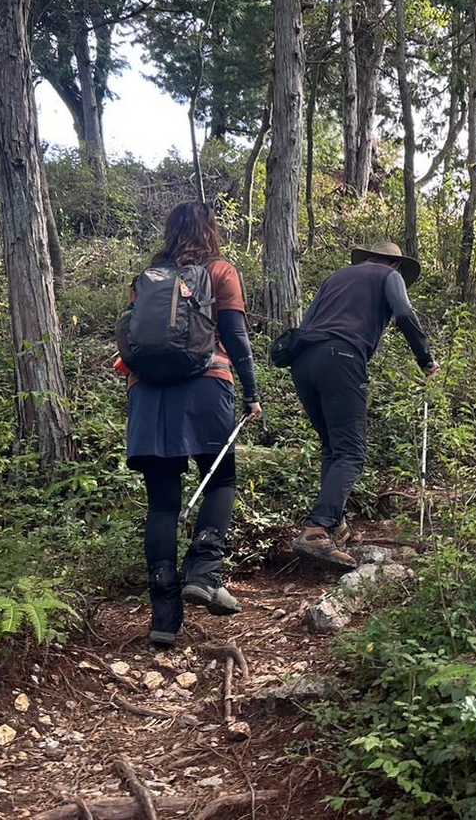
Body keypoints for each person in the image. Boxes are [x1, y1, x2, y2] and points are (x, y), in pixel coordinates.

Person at [116, 202, 262, 647]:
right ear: (210, 231)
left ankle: (164, 619)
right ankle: (204, 569)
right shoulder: (220, 272)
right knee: (220, 480)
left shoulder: (147, 278)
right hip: (206, 385)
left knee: (162, 504)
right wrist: (253, 393)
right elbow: (235, 337)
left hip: (149, 394)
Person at [288, 240, 437, 568]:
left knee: (333, 447)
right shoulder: (389, 276)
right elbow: (404, 313)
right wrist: (425, 359)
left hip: (302, 361)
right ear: (395, 264)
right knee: (351, 452)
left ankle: (334, 524)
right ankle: (316, 529)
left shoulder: (335, 278)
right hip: (341, 357)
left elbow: (306, 324)